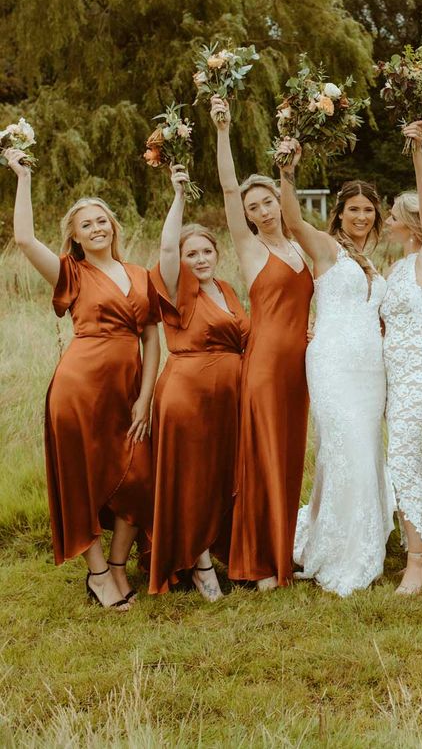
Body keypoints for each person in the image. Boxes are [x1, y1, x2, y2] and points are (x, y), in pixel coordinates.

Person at [6, 148, 160, 611]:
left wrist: (146, 397)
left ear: (113, 226)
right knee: (82, 480)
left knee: (139, 474)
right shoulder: (70, 272)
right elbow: (24, 237)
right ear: (74, 236)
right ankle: (97, 575)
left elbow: (152, 338)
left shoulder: (141, 275)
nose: (97, 228)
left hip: (128, 390)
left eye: (102, 220)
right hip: (78, 388)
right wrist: (23, 177)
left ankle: (117, 566)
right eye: (86, 224)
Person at [278, 138, 394, 596]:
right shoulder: (327, 248)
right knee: (343, 447)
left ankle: (353, 534)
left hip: (370, 370)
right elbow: (290, 219)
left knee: (364, 450)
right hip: (331, 363)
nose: (362, 216)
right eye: (354, 209)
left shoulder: (375, 261)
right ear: (340, 213)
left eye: (369, 210)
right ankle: (342, 550)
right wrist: (288, 173)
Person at [212, 97, 313, 591]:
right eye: (252, 208)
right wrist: (223, 129)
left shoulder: (302, 245)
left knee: (290, 455)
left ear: (278, 201)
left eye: (266, 201)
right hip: (267, 365)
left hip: (301, 366)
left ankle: (282, 550)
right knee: (265, 454)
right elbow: (229, 187)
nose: (260, 210)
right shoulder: (250, 249)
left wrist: (290, 166)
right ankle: (259, 561)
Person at [149, 165, 249, 600]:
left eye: (206, 251)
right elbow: (167, 245)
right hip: (186, 395)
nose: (200, 259)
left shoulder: (227, 290)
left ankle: (219, 550)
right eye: (192, 254)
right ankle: (199, 564)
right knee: (191, 478)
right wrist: (178, 196)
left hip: (227, 399)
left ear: (217, 254)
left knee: (217, 477)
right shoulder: (177, 289)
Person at [381, 121, 422, 594]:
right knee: (414, 459)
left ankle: (417, 558)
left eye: (390, 215)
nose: (385, 221)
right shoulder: (395, 267)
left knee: (401, 457)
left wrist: (418, 152)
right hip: (393, 375)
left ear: (408, 221)